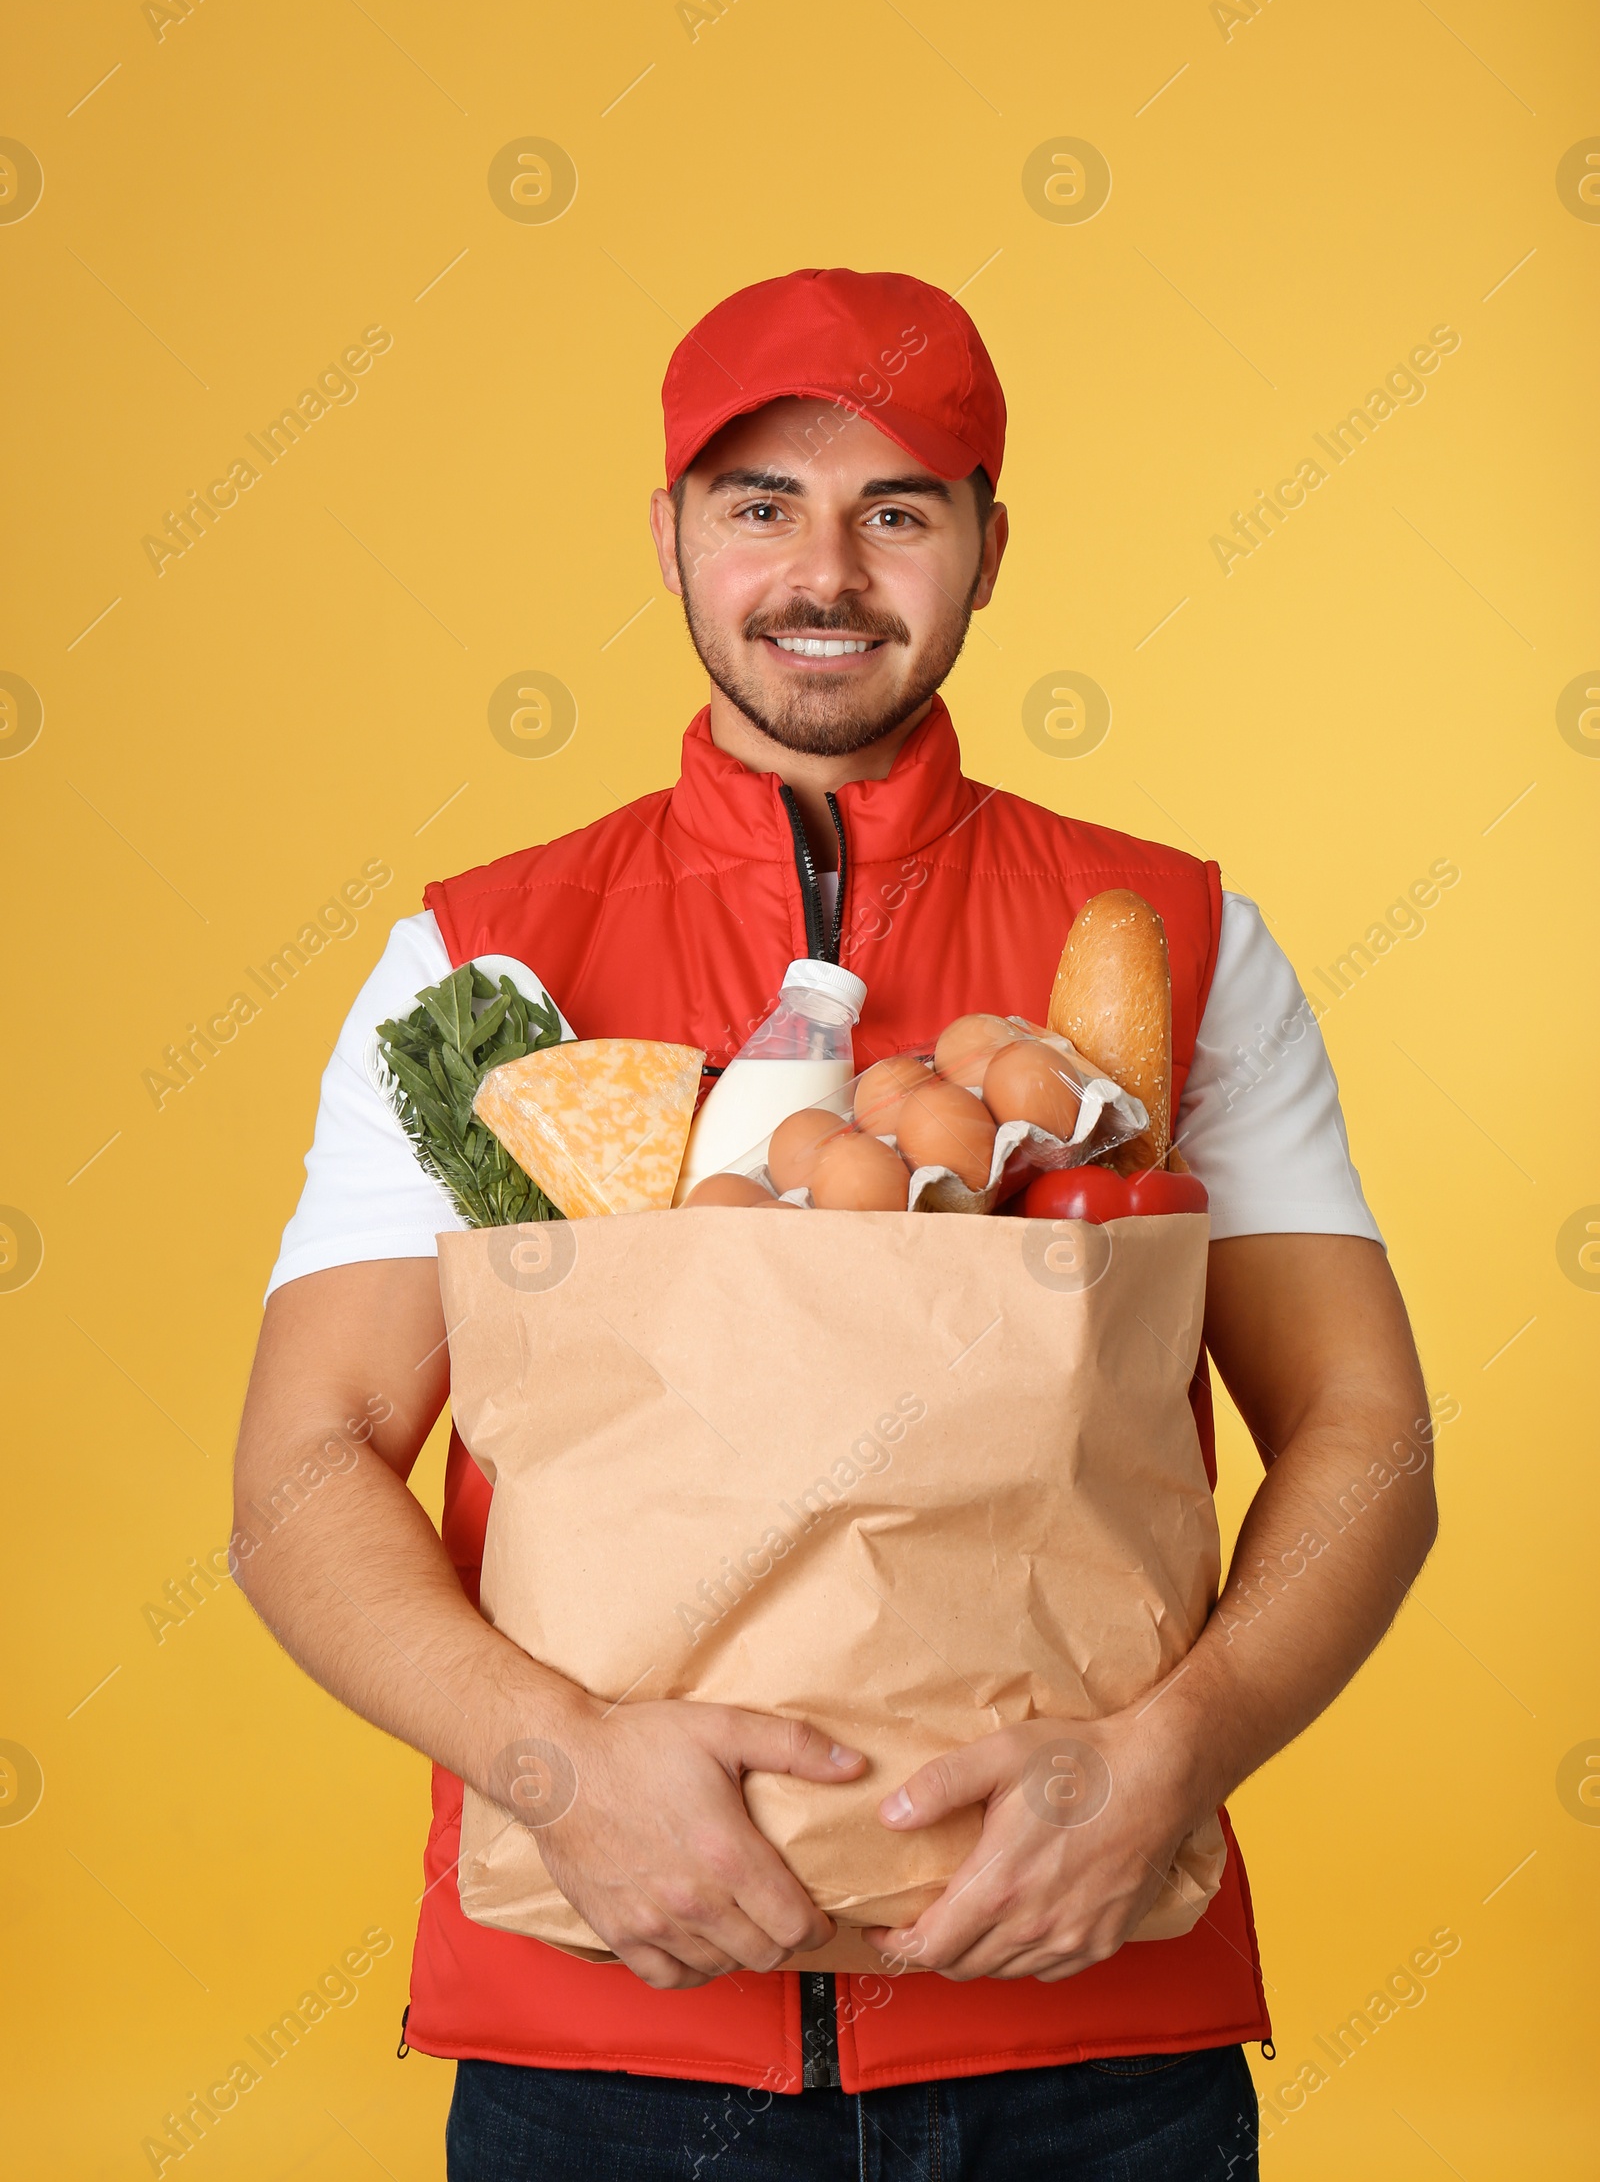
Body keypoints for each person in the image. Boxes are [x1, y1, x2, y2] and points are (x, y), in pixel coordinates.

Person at [235, 267, 1437, 2180]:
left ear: (989, 546)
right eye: (759, 505)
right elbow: (304, 1472)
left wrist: (1170, 1762)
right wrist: (560, 1769)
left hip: (1087, 2036)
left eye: (899, 508)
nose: (825, 571)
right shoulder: (473, 963)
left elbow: (1369, 1440)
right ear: (671, 536)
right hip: (608, 2034)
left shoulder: (1177, 939)